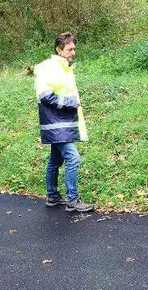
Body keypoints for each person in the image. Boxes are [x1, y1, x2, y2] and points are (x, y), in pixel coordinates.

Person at [34, 32, 94, 212]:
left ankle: (52, 196)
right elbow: (46, 96)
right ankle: (73, 200)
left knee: (55, 160)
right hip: (56, 124)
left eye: (74, 49)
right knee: (73, 158)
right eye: (69, 49)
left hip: (62, 123)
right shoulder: (49, 68)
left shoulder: (63, 67)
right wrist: (71, 103)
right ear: (59, 50)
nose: (73, 52)